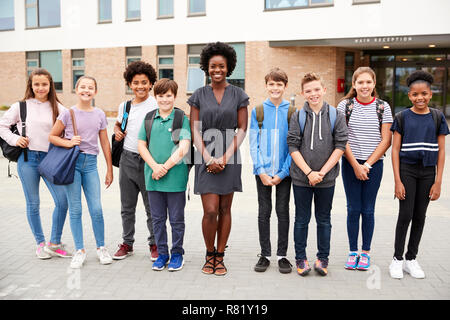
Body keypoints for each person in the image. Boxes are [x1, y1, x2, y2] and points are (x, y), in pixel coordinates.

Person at [188, 42, 249, 276]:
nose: (217, 70)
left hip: (230, 155)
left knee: (225, 208)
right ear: (207, 67)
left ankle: (220, 256)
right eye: (213, 66)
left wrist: (224, 156)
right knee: (210, 210)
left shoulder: (239, 94)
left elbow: (242, 129)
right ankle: (209, 253)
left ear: (228, 67)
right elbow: (194, 130)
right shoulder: (198, 95)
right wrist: (207, 157)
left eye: (221, 66)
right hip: (204, 154)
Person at [0, 68, 70, 259]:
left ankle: (54, 243)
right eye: (36, 84)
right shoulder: (20, 106)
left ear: (50, 85)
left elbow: (70, 129)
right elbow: (2, 126)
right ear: (31, 85)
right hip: (27, 160)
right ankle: (40, 244)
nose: (40, 88)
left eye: (44, 84)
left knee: (62, 201)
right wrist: (15, 140)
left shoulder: (59, 108)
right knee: (33, 203)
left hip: (51, 160)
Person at [49, 76, 113, 269]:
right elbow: (52, 136)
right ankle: (80, 250)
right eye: (83, 87)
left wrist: (109, 168)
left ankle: (101, 248)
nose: (86, 90)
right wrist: (69, 142)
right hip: (72, 164)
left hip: (91, 164)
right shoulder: (68, 113)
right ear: (76, 89)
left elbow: (104, 142)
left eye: (90, 87)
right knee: (75, 209)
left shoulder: (100, 114)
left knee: (97, 209)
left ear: (95, 91)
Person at [389, 70, 449, 279]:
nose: (419, 98)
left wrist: (438, 182)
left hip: (427, 172)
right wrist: (397, 180)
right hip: (406, 169)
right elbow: (395, 150)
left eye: (423, 93)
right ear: (409, 96)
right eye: (415, 94)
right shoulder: (402, 117)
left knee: (420, 216)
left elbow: (442, 151)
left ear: (430, 94)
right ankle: (397, 259)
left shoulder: (437, 117)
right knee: (405, 214)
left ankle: (411, 259)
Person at [288, 73, 347, 277]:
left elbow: (340, 145)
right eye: (308, 91)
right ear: (303, 93)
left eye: (316, 89)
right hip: (301, 179)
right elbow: (293, 146)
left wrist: (321, 172)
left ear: (323, 90)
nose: (313, 94)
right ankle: (300, 258)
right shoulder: (297, 116)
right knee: (301, 220)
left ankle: (323, 259)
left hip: (326, 179)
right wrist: (309, 172)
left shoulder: (335, 115)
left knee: (324, 220)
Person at [337, 67, 393, 271]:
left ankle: (366, 253)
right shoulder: (345, 106)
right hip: (350, 163)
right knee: (353, 209)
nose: (364, 86)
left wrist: (367, 165)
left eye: (368, 82)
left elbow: (386, 140)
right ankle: (353, 252)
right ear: (354, 85)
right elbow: (341, 138)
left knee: (368, 210)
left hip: (374, 165)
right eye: (360, 82)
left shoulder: (383, 107)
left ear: (374, 84)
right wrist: (355, 165)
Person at [138, 79, 191, 272]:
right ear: (155, 97)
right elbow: (141, 145)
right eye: (161, 95)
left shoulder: (181, 117)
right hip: (153, 179)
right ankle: (162, 254)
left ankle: (177, 254)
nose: (165, 99)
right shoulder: (149, 118)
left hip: (175, 179)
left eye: (169, 95)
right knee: (157, 219)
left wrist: (164, 168)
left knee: (176, 219)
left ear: (175, 96)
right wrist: (154, 167)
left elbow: (183, 147)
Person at [112, 61, 159, 261]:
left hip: (149, 161)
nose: (140, 86)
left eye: (144, 82)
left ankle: (155, 244)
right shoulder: (125, 105)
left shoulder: (157, 104)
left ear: (151, 84)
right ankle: (127, 243)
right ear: (130, 84)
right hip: (127, 160)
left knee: (152, 207)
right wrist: (116, 131)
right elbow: (118, 125)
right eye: (135, 82)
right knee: (127, 207)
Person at [249, 68, 293, 274]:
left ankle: (282, 255)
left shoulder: (293, 112)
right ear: (266, 86)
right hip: (263, 172)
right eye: (271, 84)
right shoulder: (258, 111)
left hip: (285, 172)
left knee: (282, 211)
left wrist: (283, 172)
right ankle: (265, 254)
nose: (275, 88)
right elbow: (253, 143)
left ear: (285, 87)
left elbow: (294, 146)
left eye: (279, 84)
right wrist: (261, 171)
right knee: (263, 212)